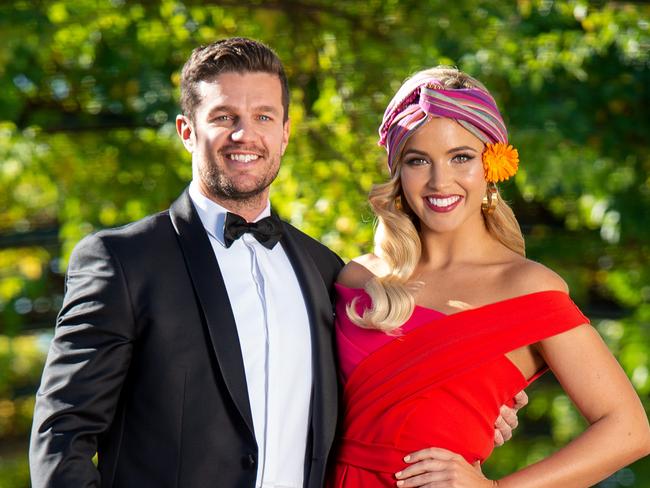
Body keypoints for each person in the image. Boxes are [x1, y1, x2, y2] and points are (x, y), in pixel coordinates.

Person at [29, 39, 521, 488]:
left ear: (285, 133)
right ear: (186, 131)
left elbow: (388, 381)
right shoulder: (123, 261)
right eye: (224, 117)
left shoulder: (330, 271)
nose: (246, 134)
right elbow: (62, 437)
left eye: (264, 117)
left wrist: (481, 400)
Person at [327, 66, 650, 487]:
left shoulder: (526, 287)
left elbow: (628, 430)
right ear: (398, 173)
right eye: (418, 160)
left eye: (460, 157)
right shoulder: (356, 278)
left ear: (490, 166)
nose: (440, 180)